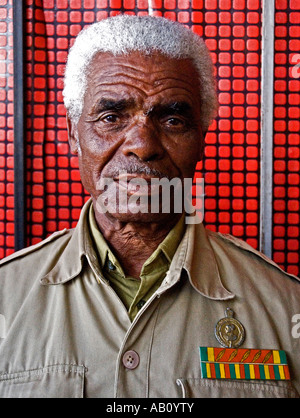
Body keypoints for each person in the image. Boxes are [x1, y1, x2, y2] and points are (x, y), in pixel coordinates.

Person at [0, 14, 299, 398]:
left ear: (202, 139)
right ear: (74, 133)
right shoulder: (8, 296)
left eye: (173, 120)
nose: (142, 144)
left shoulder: (284, 306)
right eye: (110, 117)